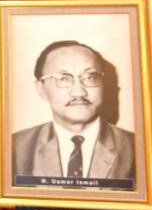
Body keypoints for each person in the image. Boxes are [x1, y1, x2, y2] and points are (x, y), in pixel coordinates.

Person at [12, 40, 135, 183]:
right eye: (63, 78)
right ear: (41, 89)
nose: (79, 92)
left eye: (90, 77)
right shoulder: (14, 148)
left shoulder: (138, 149)